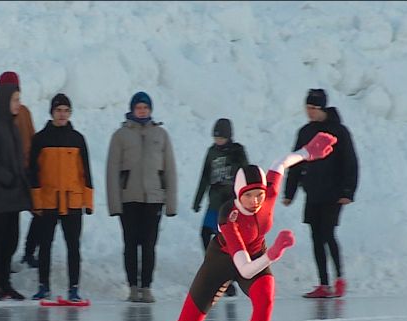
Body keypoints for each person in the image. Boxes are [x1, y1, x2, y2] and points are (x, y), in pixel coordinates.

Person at [109, 131, 338, 321]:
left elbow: (280, 163)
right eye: (249, 196)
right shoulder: (228, 217)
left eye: (259, 195)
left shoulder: (268, 194)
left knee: (265, 299)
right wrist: (274, 253)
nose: (256, 202)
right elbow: (244, 270)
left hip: (254, 254)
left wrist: (307, 153)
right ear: (238, 194)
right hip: (223, 261)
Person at [283, 89, 359, 298]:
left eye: (314, 108)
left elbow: (350, 162)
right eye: (307, 108)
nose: (310, 112)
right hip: (313, 192)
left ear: (322, 108)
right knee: (316, 237)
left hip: (334, 193)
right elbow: (295, 162)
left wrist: (347, 191)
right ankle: (323, 284)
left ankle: (339, 278)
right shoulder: (305, 132)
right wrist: (289, 192)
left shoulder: (339, 132)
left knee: (327, 234)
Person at [106, 91, 177, 303]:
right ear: (132, 109)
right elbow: (112, 171)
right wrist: (114, 204)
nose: (142, 111)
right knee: (130, 245)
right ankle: (132, 287)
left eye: (145, 108)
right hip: (129, 199)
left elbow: (169, 170)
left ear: (150, 110)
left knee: (148, 245)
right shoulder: (121, 135)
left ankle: (146, 286)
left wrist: (171, 203)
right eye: (138, 107)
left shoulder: (161, 135)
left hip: (153, 199)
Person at [29, 94, 93, 302]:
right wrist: (36, 200)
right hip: (48, 201)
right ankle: (43, 285)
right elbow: (33, 172)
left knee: (73, 246)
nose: (62, 114)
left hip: (73, 201)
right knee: (45, 245)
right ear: (52, 113)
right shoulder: (40, 139)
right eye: (59, 110)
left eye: (66, 110)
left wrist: (88, 200)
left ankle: (74, 287)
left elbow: (86, 171)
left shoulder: (77, 139)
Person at [0, 71, 39, 269]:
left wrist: (29, 167)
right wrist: (6, 175)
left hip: (20, 175)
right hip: (1, 181)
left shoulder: (24, 113)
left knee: (16, 229)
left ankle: (19, 260)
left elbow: (31, 139)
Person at [192, 118, 249, 296]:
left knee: (225, 241)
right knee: (205, 234)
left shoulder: (237, 151)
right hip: (214, 203)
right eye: (215, 138)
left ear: (228, 137)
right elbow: (204, 177)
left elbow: (247, 176)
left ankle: (226, 279)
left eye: (221, 138)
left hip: (229, 204)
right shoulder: (211, 153)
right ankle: (214, 271)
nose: (218, 141)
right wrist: (197, 199)